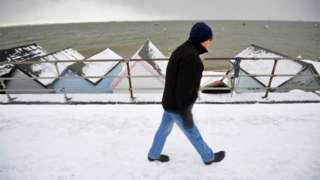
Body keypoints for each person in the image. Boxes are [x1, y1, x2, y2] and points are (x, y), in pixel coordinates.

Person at [147, 22, 225, 165]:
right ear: (202, 39)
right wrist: (185, 113)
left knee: (163, 130)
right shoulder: (193, 59)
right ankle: (209, 157)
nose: (210, 43)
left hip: (169, 102)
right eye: (209, 40)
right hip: (178, 107)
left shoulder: (180, 50)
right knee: (192, 133)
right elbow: (184, 90)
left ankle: (153, 154)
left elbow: (174, 81)